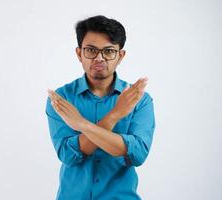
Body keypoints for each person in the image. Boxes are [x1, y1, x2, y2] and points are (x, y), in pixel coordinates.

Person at [46, 15, 155, 200]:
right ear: (79, 53)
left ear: (120, 56)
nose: (99, 57)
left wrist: (81, 124)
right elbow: (69, 156)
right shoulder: (61, 99)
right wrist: (115, 119)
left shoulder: (139, 100)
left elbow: (136, 155)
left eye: (109, 51)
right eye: (91, 50)